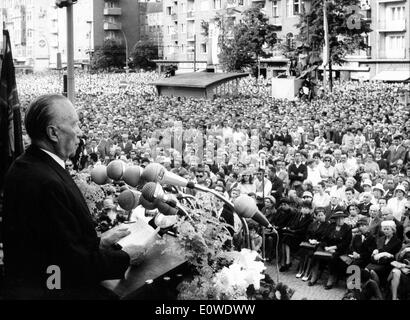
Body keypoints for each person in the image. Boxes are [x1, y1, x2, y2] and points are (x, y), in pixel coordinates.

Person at [2, 94, 145, 299]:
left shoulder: (28, 165)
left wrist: (99, 242)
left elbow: (54, 243)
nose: (80, 132)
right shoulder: (47, 182)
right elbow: (69, 264)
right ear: (53, 133)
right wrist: (125, 257)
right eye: (75, 124)